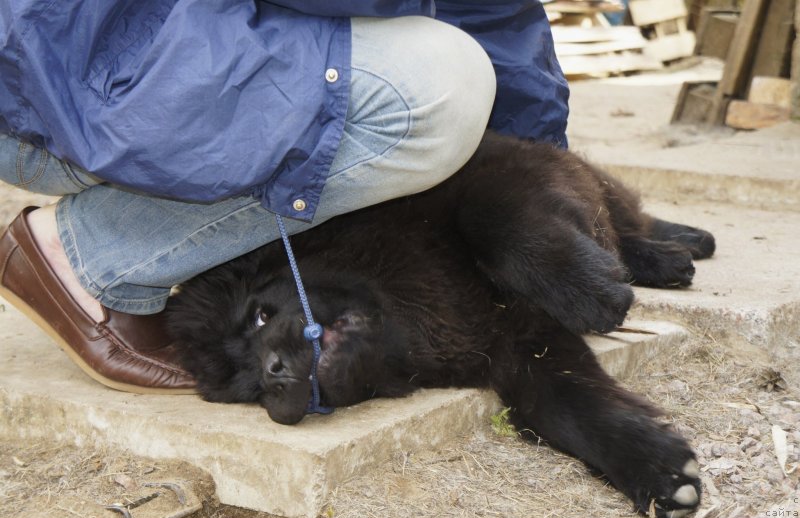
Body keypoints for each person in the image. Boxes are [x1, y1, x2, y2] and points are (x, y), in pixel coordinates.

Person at [0, 1, 569, 393]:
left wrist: (539, 171)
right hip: (63, 59)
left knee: (418, 71)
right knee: (437, 89)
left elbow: (495, 12)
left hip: (155, 39)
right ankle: (84, 257)